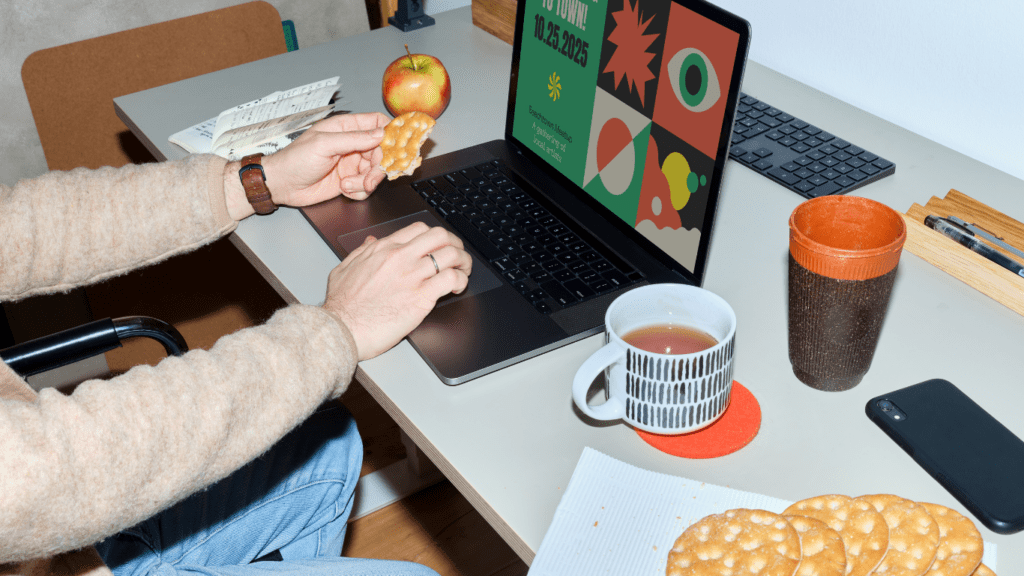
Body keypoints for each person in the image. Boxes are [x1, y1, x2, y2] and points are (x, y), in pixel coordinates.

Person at [0, 112, 471, 576]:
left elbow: (25, 228)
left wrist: (255, 181)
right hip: (49, 502)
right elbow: (43, 472)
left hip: (52, 535)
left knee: (328, 442)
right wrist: (337, 330)